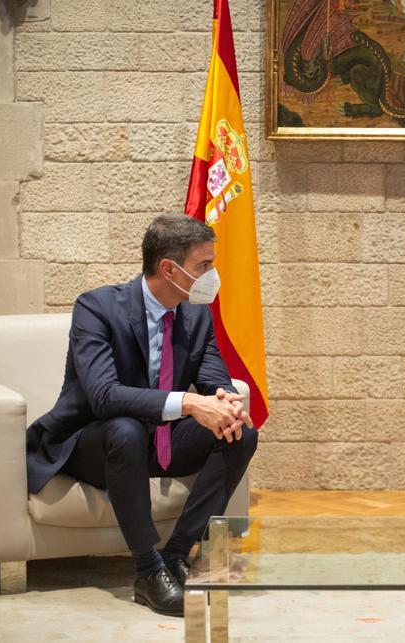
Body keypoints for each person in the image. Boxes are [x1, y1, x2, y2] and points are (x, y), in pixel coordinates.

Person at [24, 213, 258, 617]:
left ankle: (179, 554)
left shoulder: (196, 315)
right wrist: (187, 404)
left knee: (240, 432)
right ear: (170, 269)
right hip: (92, 443)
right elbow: (103, 396)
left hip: (157, 441)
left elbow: (213, 378)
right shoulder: (96, 309)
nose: (212, 276)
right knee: (125, 429)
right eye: (205, 266)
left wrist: (226, 403)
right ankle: (148, 571)